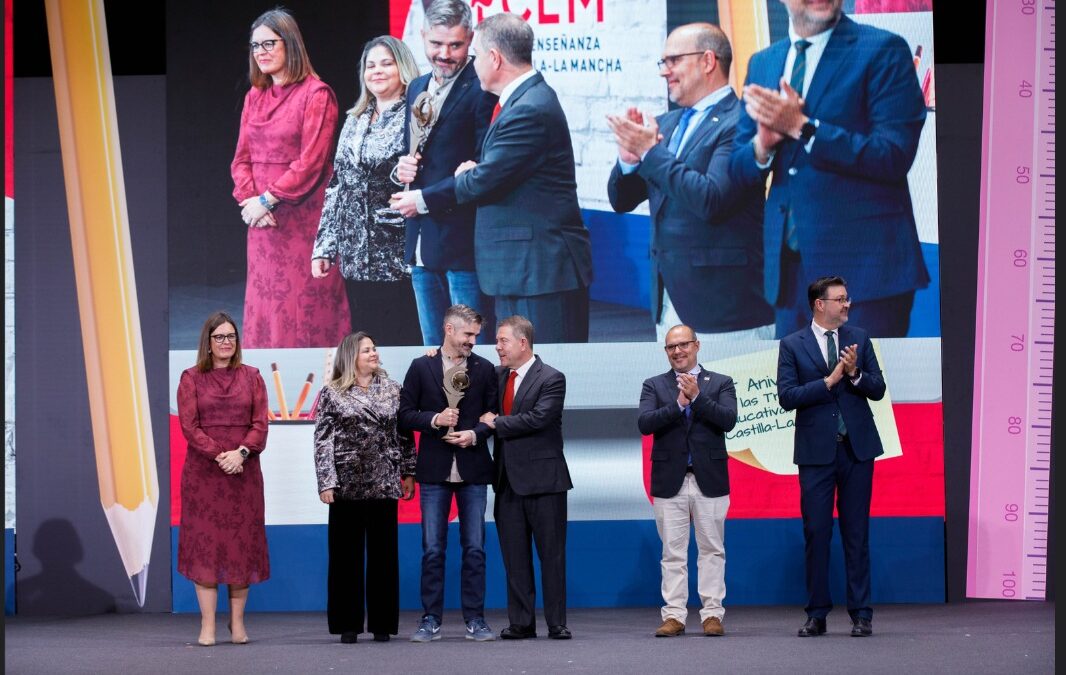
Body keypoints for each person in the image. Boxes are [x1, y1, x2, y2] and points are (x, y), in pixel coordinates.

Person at [729, 0, 929, 338]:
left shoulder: (883, 50)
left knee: (860, 388)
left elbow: (893, 155)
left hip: (864, 276)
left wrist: (803, 128)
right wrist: (763, 145)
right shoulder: (763, 62)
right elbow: (737, 167)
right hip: (789, 279)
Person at [607, 24, 772, 342]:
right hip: (668, 308)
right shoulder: (666, 124)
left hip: (727, 312)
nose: (664, 71)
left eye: (673, 60)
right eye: (663, 62)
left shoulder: (742, 122)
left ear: (708, 61)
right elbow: (622, 200)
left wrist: (649, 152)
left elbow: (711, 199)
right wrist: (629, 159)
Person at [453, 13, 593, 344]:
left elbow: (486, 179)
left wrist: (466, 175)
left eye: (475, 55)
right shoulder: (524, 99)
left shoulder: (529, 107)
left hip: (539, 272)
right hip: (524, 271)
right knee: (524, 380)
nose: (472, 65)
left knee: (546, 378)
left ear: (494, 58)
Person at [230, 8, 350, 349]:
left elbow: (311, 162)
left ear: (291, 44)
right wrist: (249, 201)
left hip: (305, 221)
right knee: (266, 308)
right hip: (263, 223)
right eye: (255, 46)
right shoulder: (255, 95)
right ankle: (268, 396)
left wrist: (266, 199)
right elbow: (241, 159)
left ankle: (318, 397)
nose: (261, 52)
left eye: (269, 43)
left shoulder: (317, 94)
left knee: (305, 309)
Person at [776, 276, 887, 637]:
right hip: (815, 453)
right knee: (817, 532)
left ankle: (862, 613)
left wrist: (853, 374)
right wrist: (828, 381)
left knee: (857, 533)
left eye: (847, 298)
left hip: (856, 449)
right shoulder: (792, 345)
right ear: (819, 304)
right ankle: (817, 613)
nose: (847, 304)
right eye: (840, 299)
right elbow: (787, 396)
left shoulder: (861, 338)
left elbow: (879, 388)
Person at [389, 0, 498, 347]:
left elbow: (483, 170)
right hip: (420, 242)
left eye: (455, 45)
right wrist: (400, 170)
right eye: (436, 44)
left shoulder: (482, 89)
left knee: (472, 352)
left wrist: (423, 200)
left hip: (461, 244)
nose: (445, 54)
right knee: (433, 354)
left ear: (470, 39)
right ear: (422, 36)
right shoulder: (416, 87)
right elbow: (414, 156)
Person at [311, 36, 423, 345]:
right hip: (355, 257)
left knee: (402, 340)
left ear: (402, 68)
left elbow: (423, 176)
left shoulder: (416, 116)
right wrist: (324, 247)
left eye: (386, 63)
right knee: (367, 343)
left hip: (397, 256)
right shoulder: (354, 118)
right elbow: (337, 186)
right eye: (370, 65)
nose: (377, 71)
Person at [398, 304, 498, 642]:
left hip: (473, 471)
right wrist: (434, 420)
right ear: (449, 330)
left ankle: (476, 618)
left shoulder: (485, 369)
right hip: (433, 471)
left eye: (476, 335)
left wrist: (475, 435)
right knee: (432, 549)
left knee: (475, 548)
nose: (473, 340)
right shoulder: (421, 366)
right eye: (468, 334)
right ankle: (430, 618)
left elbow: (492, 415)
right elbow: (404, 415)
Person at [313, 331, 416, 643]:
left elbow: (405, 433)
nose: (374, 353)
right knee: (346, 557)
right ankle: (348, 624)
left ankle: (383, 624)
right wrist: (326, 481)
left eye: (374, 348)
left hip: (385, 480)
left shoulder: (394, 389)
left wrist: (409, 471)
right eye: (367, 350)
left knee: (384, 556)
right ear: (351, 357)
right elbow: (322, 441)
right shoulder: (331, 392)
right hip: (346, 484)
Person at [637, 325, 737, 637]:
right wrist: (679, 404)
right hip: (670, 480)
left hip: (710, 478)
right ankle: (674, 616)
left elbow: (728, 420)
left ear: (697, 345)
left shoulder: (720, 382)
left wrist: (697, 397)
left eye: (683, 345)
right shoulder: (654, 385)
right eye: (670, 347)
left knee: (712, 549)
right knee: (673, 551)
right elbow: (645, 422)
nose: (677, 351)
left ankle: (711, 615)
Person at [176, 312, 269, 646]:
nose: (226, 342)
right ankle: (208, 626)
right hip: (204, 475)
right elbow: (189, 427)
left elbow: (260, 423)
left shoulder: (253, 377)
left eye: (231, 336)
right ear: (208, 342)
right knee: (207, 548)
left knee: (240, 547)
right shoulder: (190, 378)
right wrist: (220, 455)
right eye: (220, 337)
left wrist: (240, 454)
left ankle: (238, 624)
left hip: (243, 473)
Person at [479, 316, 573, 639]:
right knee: (514, 557)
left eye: (502, 341)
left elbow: (539, 418)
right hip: (507, 481)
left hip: (545, 481)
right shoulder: (496, 376)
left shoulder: (552, 378)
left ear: (523, 343)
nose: (497, 347)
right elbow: (469, 376)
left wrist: (496, 423)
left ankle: (557, 622)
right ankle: (521, 622)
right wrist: (438, 355)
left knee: (552, 555)